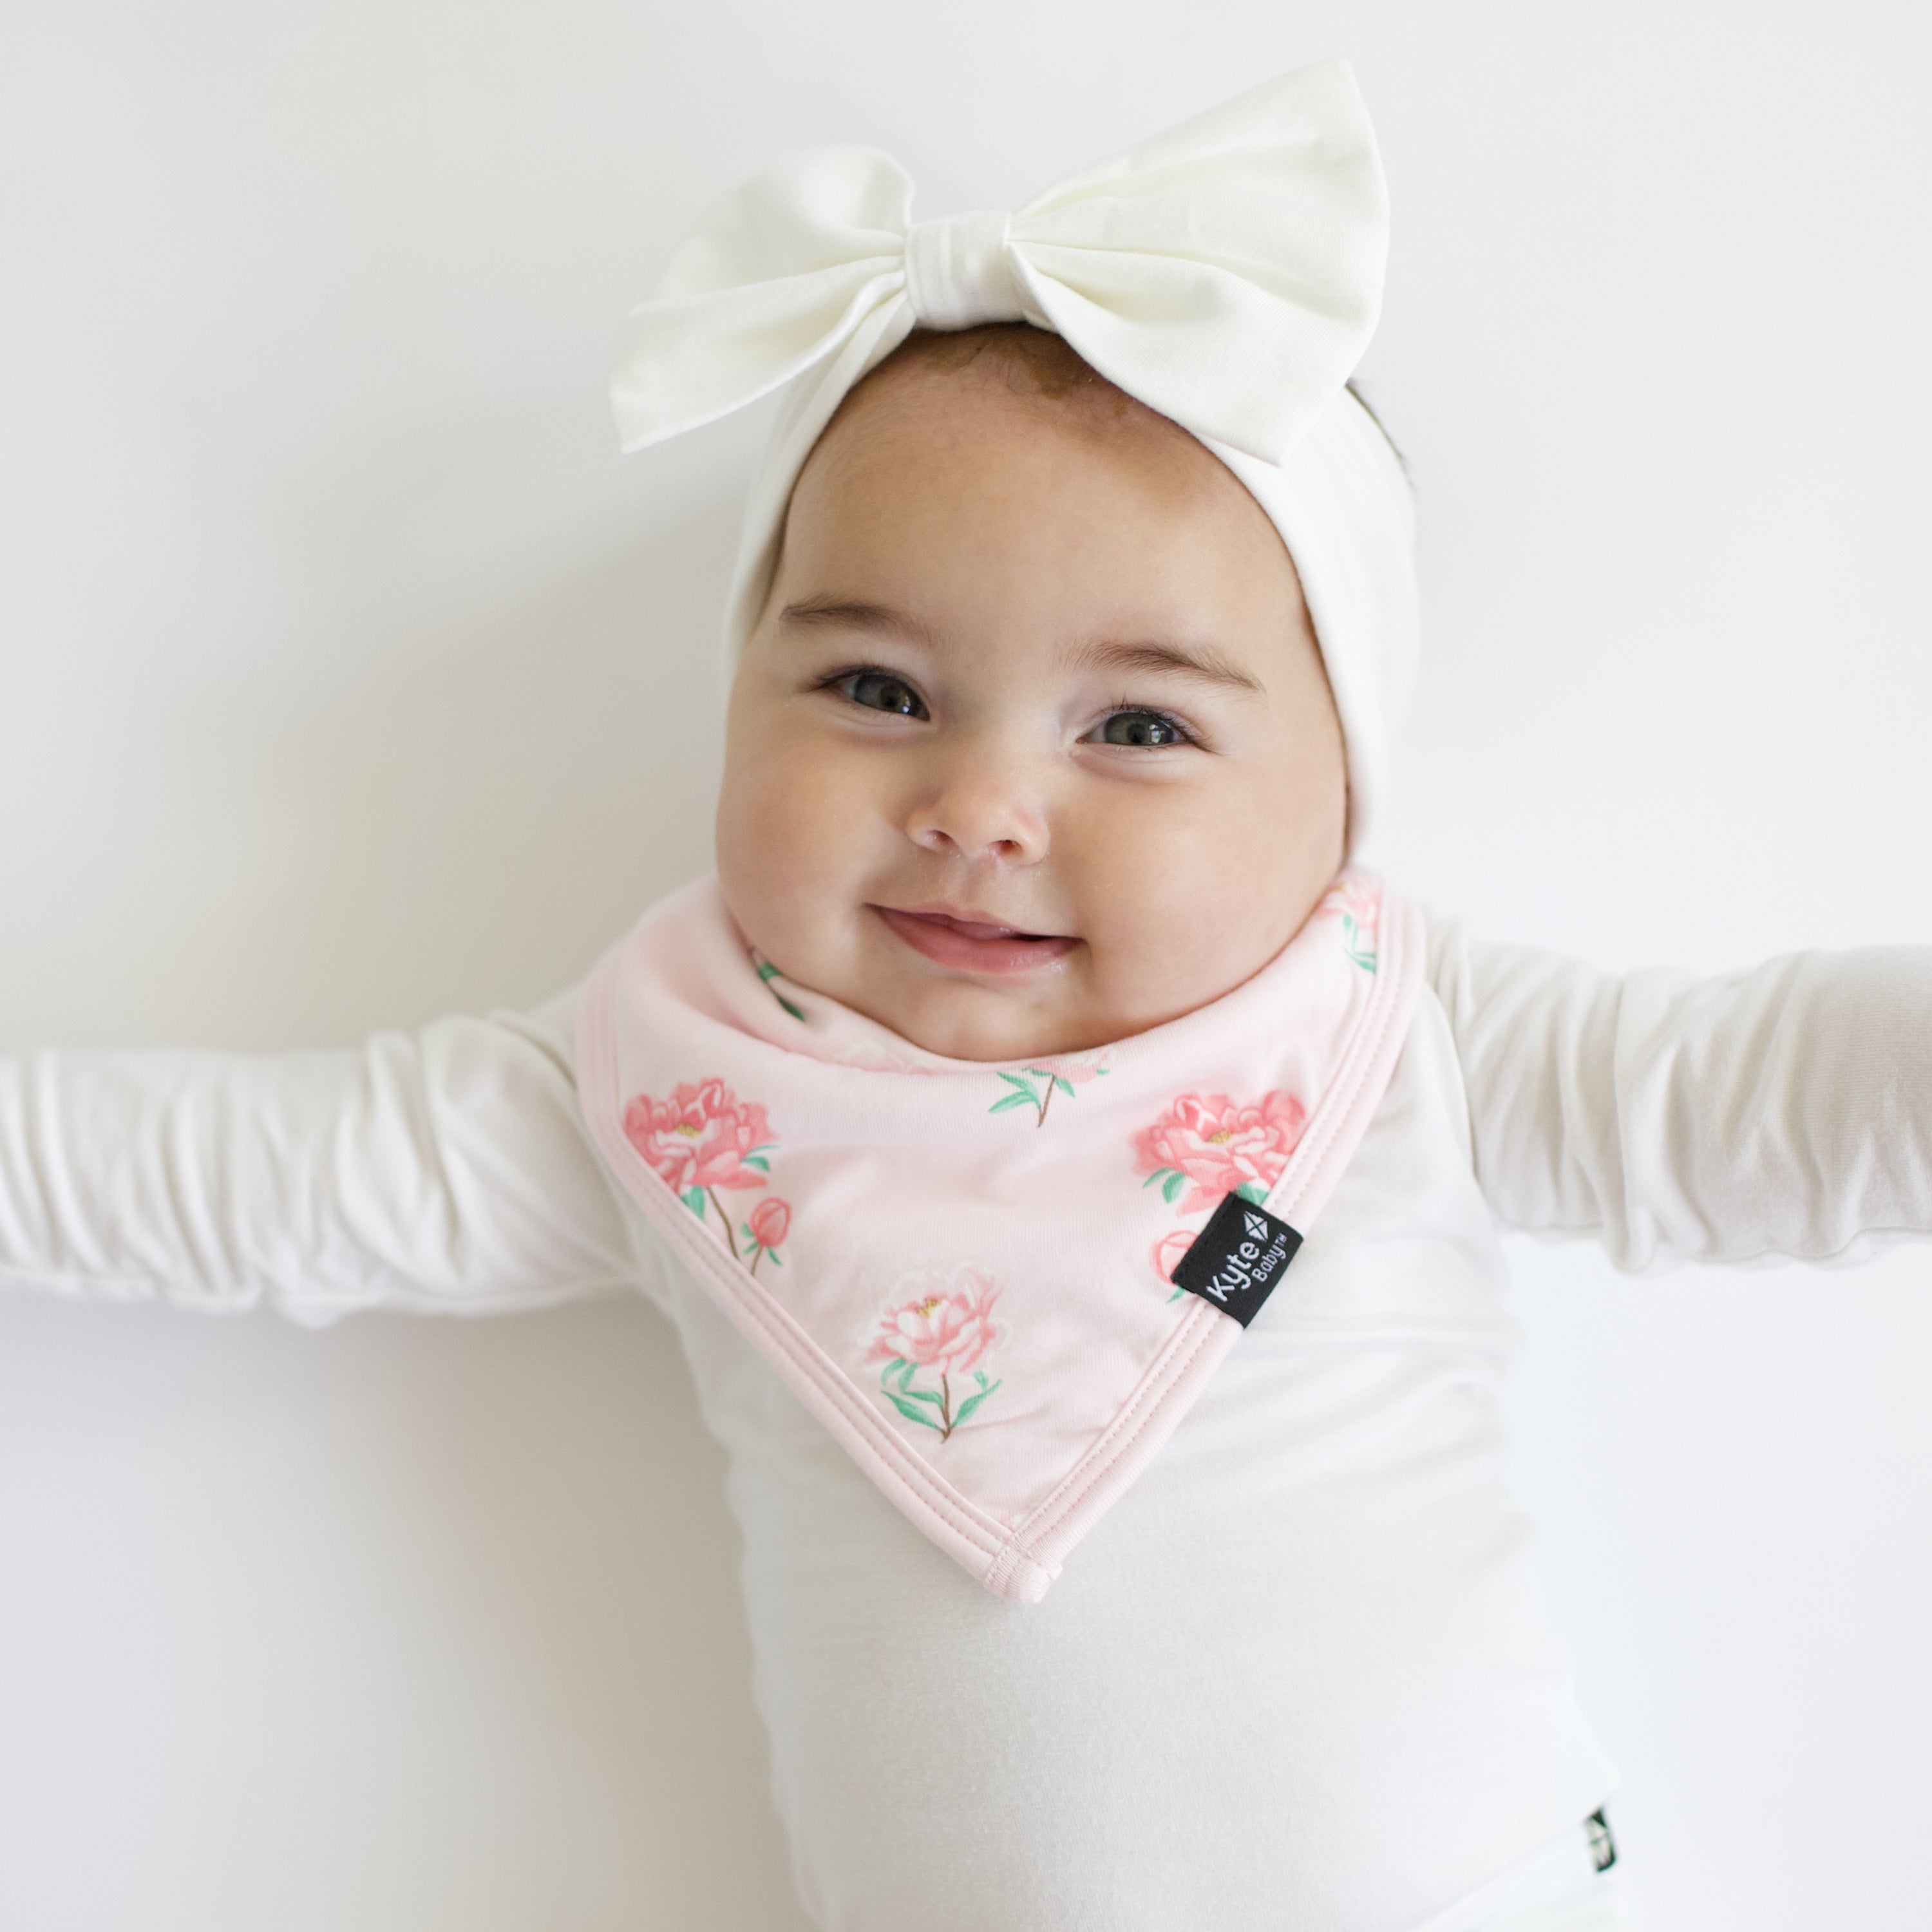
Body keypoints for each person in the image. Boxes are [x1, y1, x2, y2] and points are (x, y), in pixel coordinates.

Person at [5, 61, 1931, 1932]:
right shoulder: (659, 1093)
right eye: (874, 691)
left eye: (1142, 724)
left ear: (1339, 800)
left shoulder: (1403, 1037)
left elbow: (1758, 1097)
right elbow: (233, 1177)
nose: (982, 809)